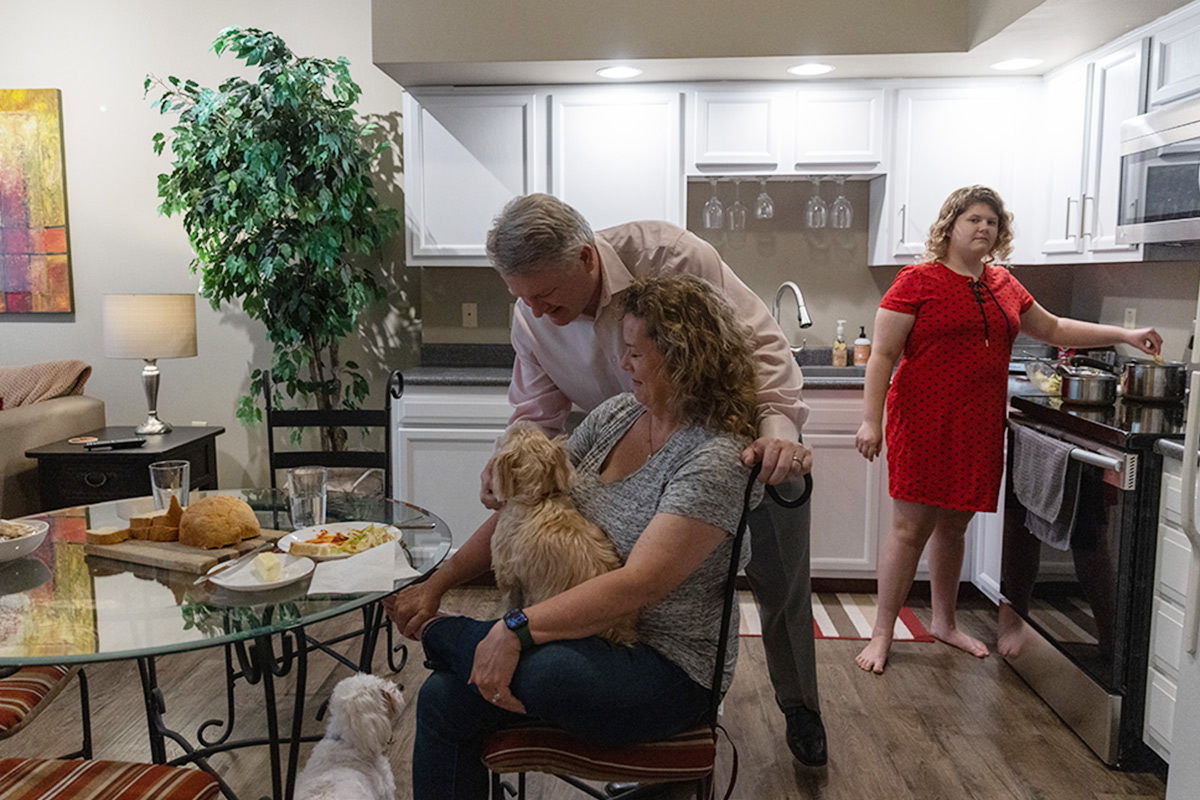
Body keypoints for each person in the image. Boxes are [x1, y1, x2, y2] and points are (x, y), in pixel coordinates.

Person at [474, 192, 826, 765]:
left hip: (739, 438)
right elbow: (534, 416)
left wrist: (777, 427)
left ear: (586, 258)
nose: (534, 311)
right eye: (521, 297)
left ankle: (800, 706)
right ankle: (630, 691)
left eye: (544, 295)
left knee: (779, 582)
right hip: (628, 437)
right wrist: (503, 465)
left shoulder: (671, 255)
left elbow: (760, 344)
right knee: (635, 583)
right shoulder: (531, 313)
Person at [388, 275, 762, 799]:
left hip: (667, 669)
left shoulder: (715, 457)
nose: (624, 364)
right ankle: (460, 639)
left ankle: (441, 636)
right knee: (443, 697)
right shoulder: (615, 416)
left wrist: (512, 629)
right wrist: (439, 581)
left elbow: (639, 585)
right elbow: (527, 505)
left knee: (548, 674)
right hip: (574, 632)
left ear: (681, 357)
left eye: (635, 352)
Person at [853, 184, 1163, 674]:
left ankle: (945, 623)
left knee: (954, 526)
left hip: (978, 424)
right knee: (910, 528)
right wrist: (872, 420)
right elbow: (884, 357)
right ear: (950, 225)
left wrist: (1123, 335)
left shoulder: (1004, 285)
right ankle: (883, 633)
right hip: (923, 420)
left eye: (992, 222)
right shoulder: (917, 280)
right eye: (974, 219)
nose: (983, 229)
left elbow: (1056, 329)